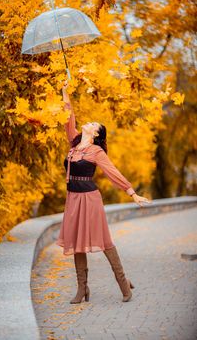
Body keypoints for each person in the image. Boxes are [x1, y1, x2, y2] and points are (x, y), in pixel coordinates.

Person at [54, 80, 151, 304]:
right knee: (77, 243)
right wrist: (65, 91)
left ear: (96, 133)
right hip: (73, 198)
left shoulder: (96, 151)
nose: (90, 123)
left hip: (89, 199)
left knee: (104, 241)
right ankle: (82, 289)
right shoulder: (75, 141)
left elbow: (112, 171)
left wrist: (131, 192)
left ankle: (124, 284)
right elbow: (68, 118)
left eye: (94, 123)